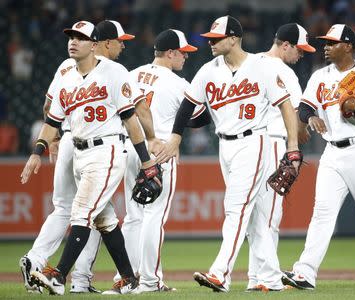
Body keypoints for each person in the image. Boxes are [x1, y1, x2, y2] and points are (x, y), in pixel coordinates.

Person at [157, 15, 300, 292]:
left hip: (253, 141)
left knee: (235, 208)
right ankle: (270, 279)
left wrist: (292, 146)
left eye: (216, 39)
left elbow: (286, 107)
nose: (211, 43)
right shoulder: (209, 69)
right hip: (225, 144)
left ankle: (220, 273)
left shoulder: (261, 67)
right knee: (256, 216)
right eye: (210, 39)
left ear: (234, 38)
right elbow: (188, 106)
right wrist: (175, 137)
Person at [20, 20, 155, 295]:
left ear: (94, 45)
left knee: (81, 212)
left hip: (106, 151)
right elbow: (52, 120)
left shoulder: (114, 72)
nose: (73, 41)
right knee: (104, 219)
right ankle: (129, 279)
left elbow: (130, 120)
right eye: (71, 36)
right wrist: (38, 151)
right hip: (79, 152)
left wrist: (146, 160)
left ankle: (58, 275)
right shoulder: (67, 77)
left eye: (80, 37)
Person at [282, 24, 355, 291]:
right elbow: (306, 106)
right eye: (325, 43)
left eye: (332, 43)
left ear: (347, 46)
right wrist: (310, 117)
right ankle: (305, 273)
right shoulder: (320, 76)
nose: (326, 47)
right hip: (332, 152)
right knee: (322, 214)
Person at [122, 28, 199, 293]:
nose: (185, 58)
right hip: (160, 151)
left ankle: (128, 279)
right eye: (183, 53)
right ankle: (150, 281)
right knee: (154, 216)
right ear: (170, 52)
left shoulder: (130, 75)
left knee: (133, 217)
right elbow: (200, 118)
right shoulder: (179, 84)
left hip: (130, 148)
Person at [246, 23, 315, 291]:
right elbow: (297, 115)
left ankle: (256, 277)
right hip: (274, 143)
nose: (302, 54)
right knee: (270, 215)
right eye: (299, 48)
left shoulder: (250, 62)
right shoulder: (283, 71)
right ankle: (267, 278)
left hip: (247, 145)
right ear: (285, 44)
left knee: (255, 216)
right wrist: (298, 139)